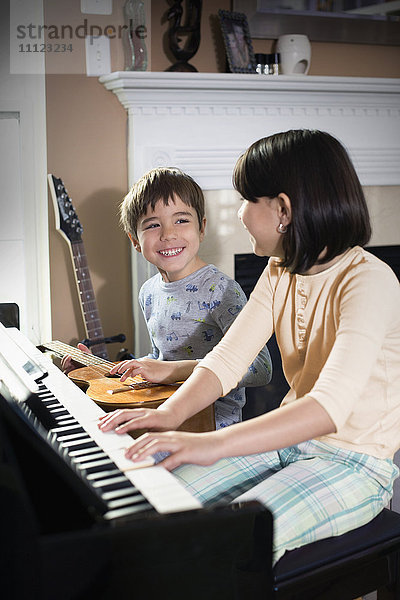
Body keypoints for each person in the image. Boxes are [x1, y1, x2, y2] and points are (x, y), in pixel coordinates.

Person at [98, 129, 400, 564]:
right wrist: (169, 415)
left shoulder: (368, 280)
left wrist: (214, 444)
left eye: (245, 199)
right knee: (154, 506)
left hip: (353, 465)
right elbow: (228, 358)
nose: (238, 214)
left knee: (222, 547)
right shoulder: (281, 271)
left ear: (282, 209)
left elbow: (326, 408)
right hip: (285, 444)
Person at [64, 167, 272, 429]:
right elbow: (159, 359)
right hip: (161, 411)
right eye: (152, 225)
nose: (168, 234)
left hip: (211, 425)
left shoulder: (221, 291)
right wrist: (96, 371)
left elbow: (261, 369)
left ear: (201, 228)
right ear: (135, 241)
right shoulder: (148, 293)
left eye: (181, 220)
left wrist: (174, 371)